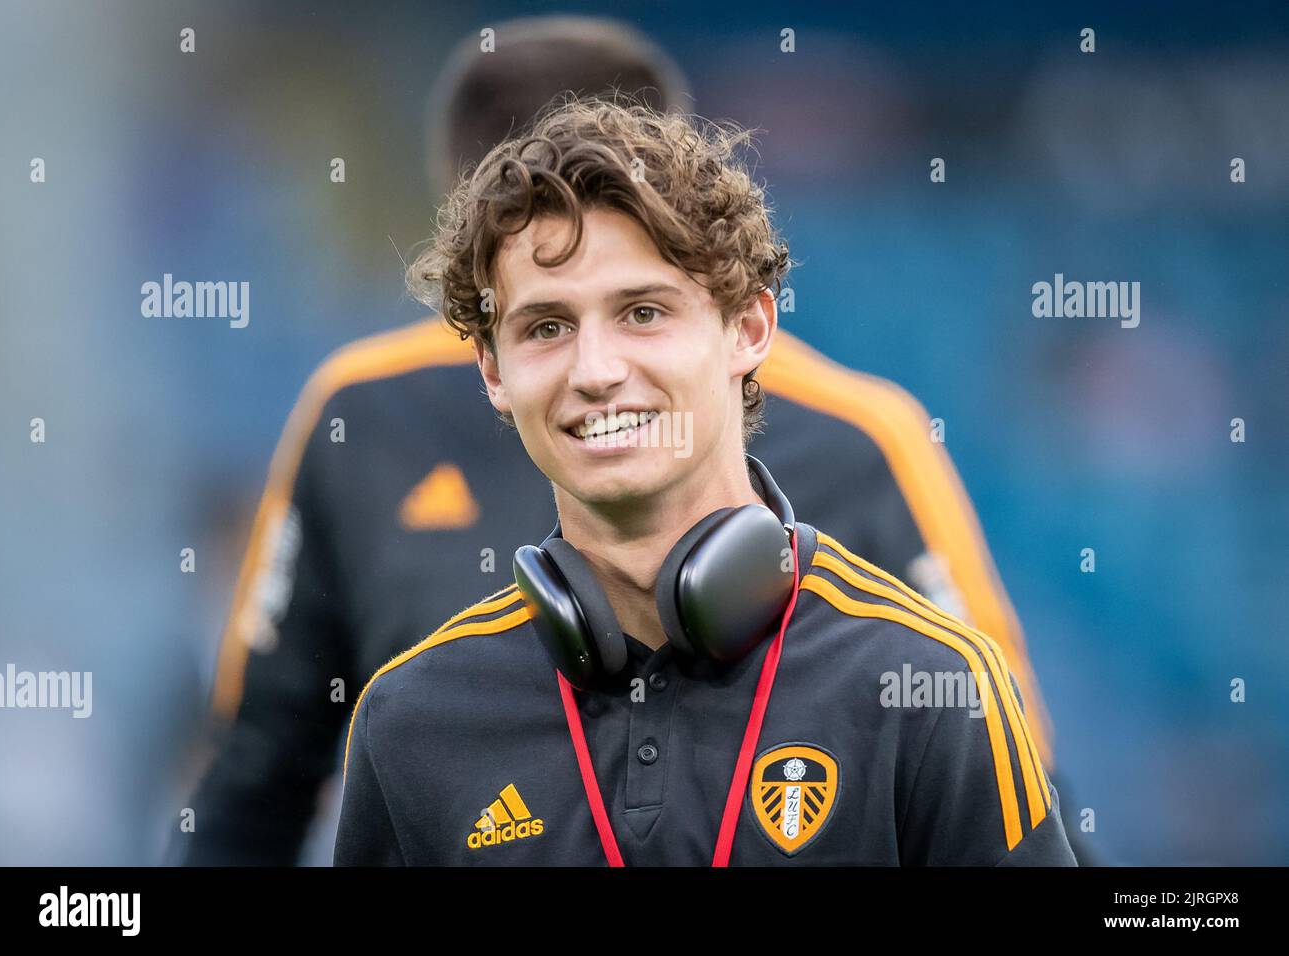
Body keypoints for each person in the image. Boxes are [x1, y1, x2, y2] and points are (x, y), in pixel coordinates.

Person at [180, 16, 1076, 866]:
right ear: (487, 365)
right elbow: (251, 788)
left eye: (643, 311)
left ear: (749, 326)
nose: (596, 369)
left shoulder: (933, 678)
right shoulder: (406, 722)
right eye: (544, 327)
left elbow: (1030, 786)